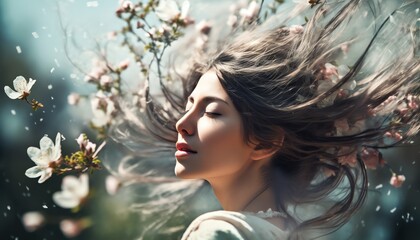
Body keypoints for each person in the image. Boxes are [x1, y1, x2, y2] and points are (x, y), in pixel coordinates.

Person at [110, 0, 419, 239]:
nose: (183, 123)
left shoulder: (218, 232)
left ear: (267, 141)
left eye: (212, 112)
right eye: (190, 105)